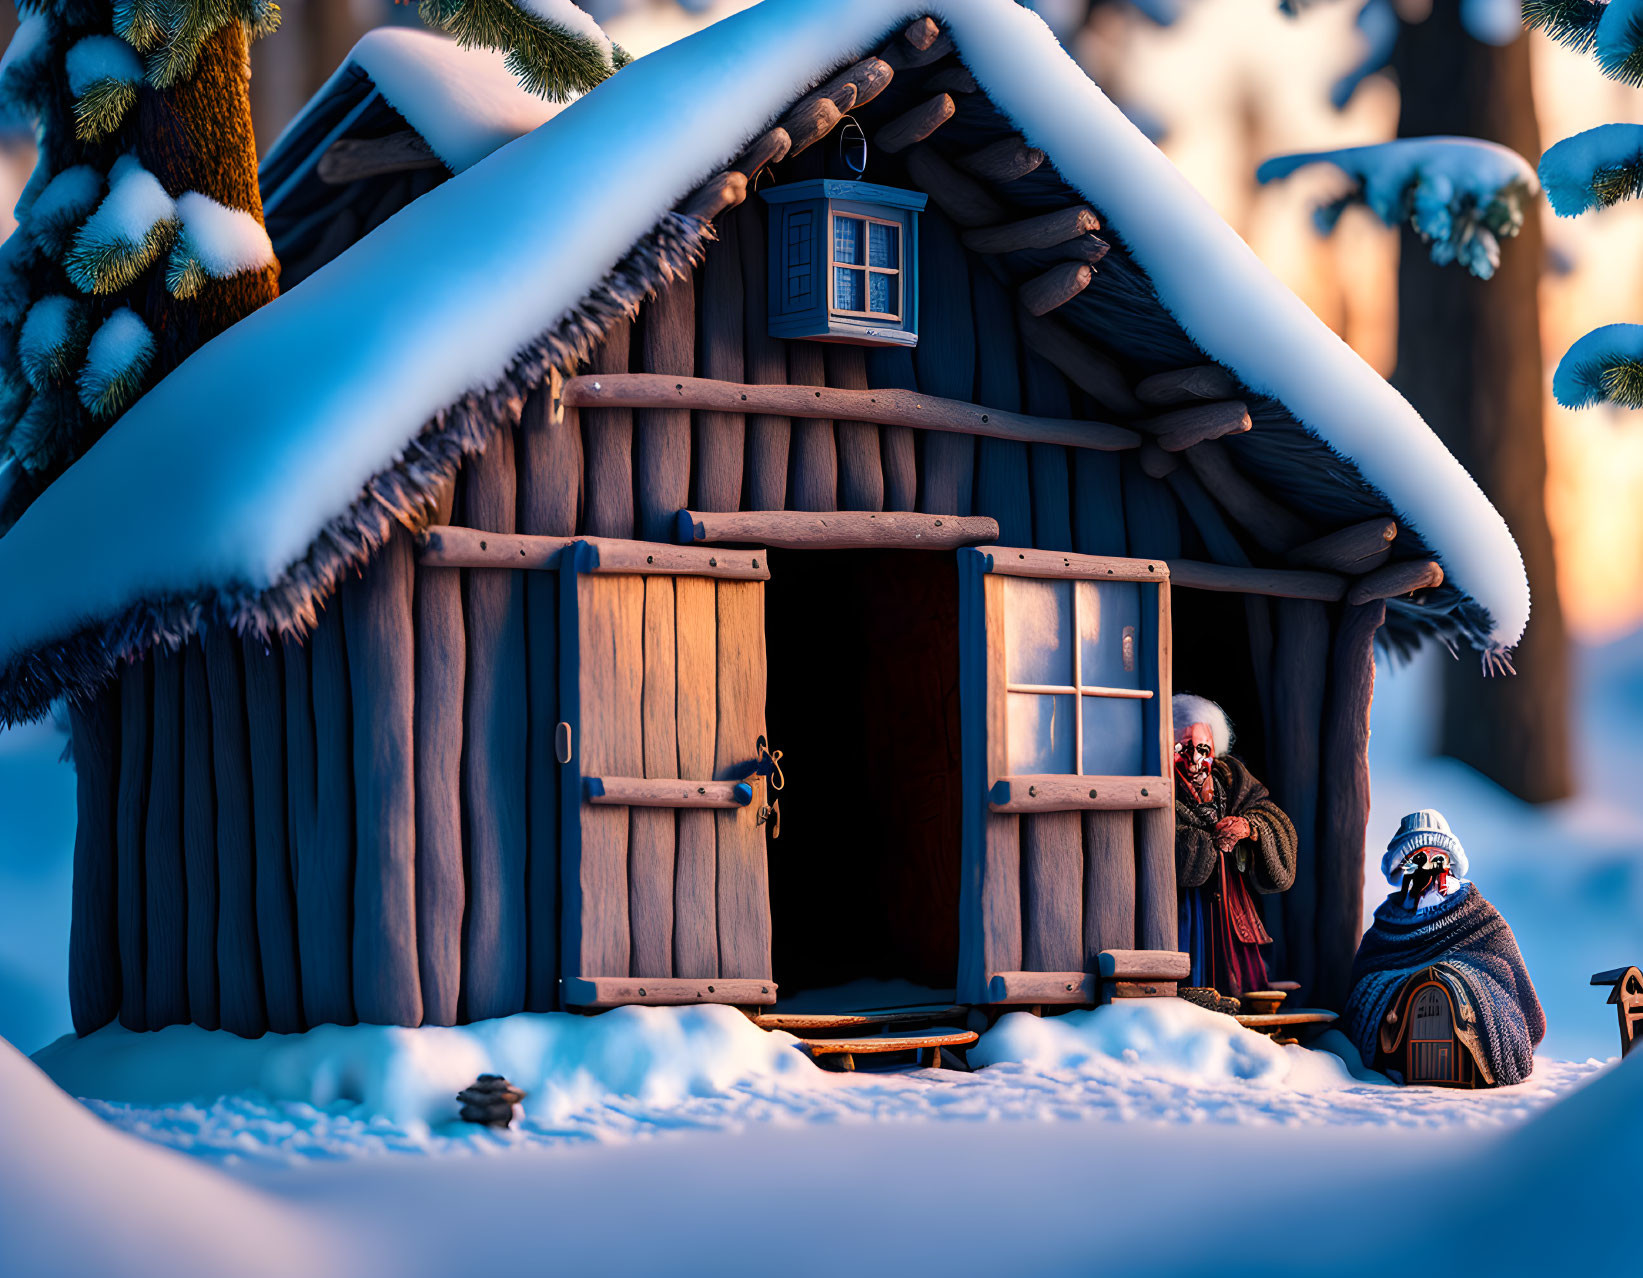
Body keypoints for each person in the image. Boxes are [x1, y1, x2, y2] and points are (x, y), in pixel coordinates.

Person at [1342, 810, 1544, 1086]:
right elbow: (1368, 973)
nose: (1429, 868)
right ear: (1402, 869)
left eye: (1438, 859)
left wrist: (1457, 978)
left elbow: (1504, 966)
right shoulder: (1387, 924)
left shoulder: (1477, 915)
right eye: (1418, 860)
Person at [1173, 694, 1297, 1000]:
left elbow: (1268, 813)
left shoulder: (1232, 778)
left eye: (1204, 749)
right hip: (1185, 906)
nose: (1195, 759)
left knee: (1239, 978)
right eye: (1183, 749)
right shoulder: (1161, 783)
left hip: (1231, 900)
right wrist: (1210, 841)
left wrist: (1249, 828)